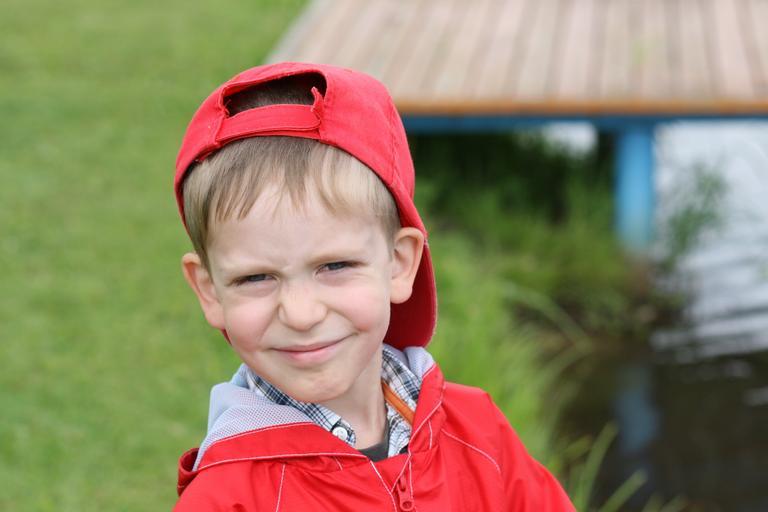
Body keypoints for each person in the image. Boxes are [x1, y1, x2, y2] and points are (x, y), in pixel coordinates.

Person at [172, 61, 575, 511]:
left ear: (400, 263)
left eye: (335, 266)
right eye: (256, 277)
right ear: (209, 290)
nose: (301, 314)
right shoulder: (226, 500)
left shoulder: (479, 435)